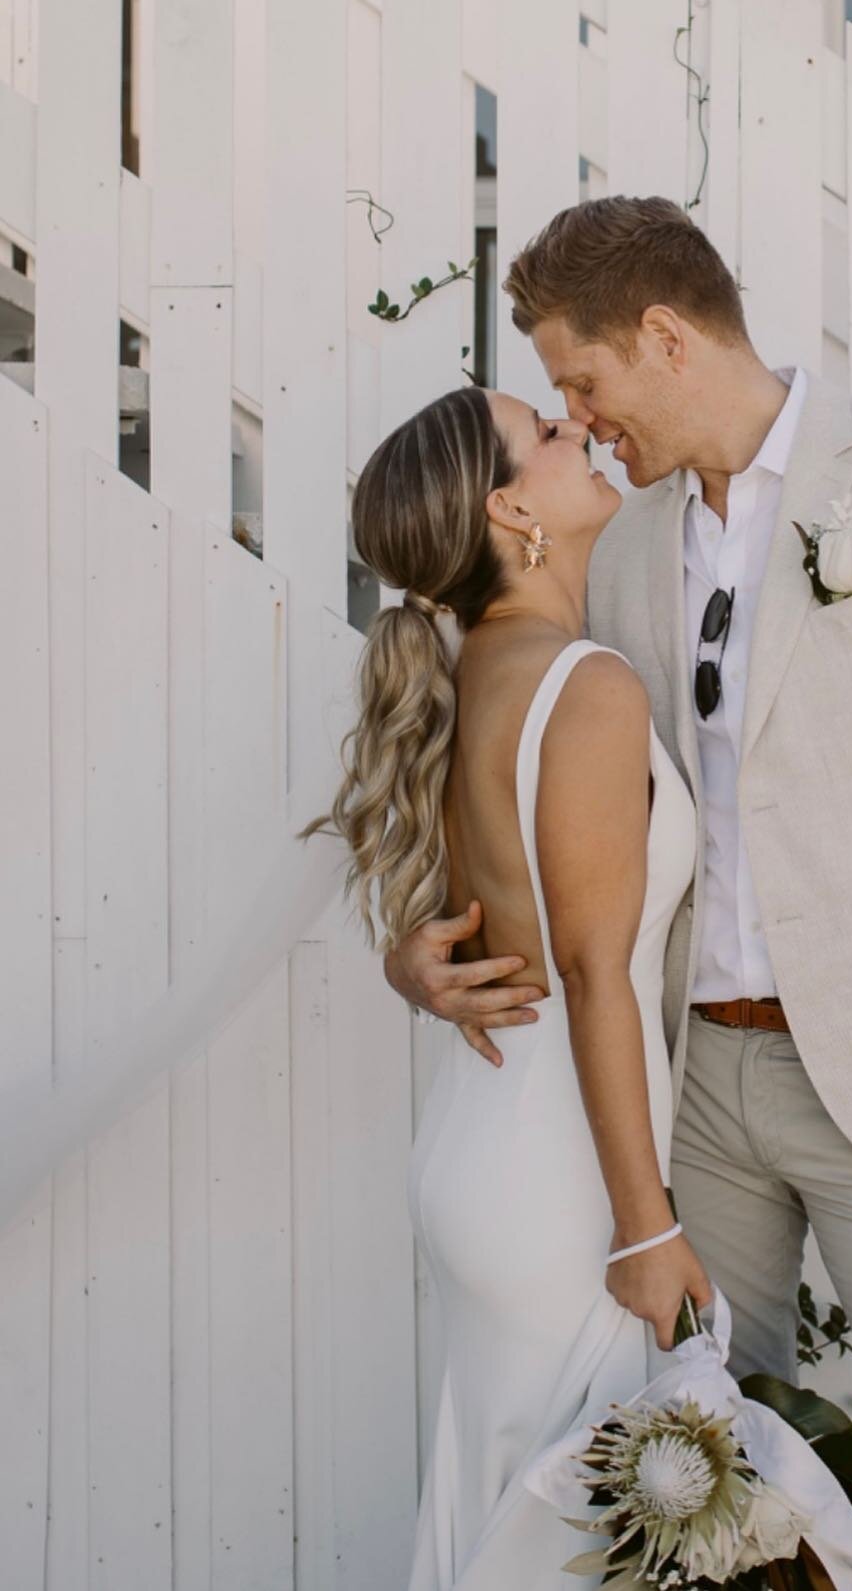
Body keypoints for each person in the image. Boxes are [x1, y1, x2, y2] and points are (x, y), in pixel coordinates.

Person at [384, 196, 852, 1591]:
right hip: (684, 1085)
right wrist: (414, 947)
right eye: (556, 405)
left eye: (582, 382)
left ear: (663, 337)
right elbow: (517, 761)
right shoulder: (611, 533)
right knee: (686, 1494)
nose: (581, 421)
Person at [299, 383, 713, 1588]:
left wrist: (407, 964)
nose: (581, 430)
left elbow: (472, 916)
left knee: (509, 1534)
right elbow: (591, 973)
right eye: (549, 430)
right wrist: (648, 1227)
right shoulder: (585, 686)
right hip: (564, 1189)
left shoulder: (473, 666)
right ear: (509, 508)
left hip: (489, 1149)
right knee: (572, 1551)